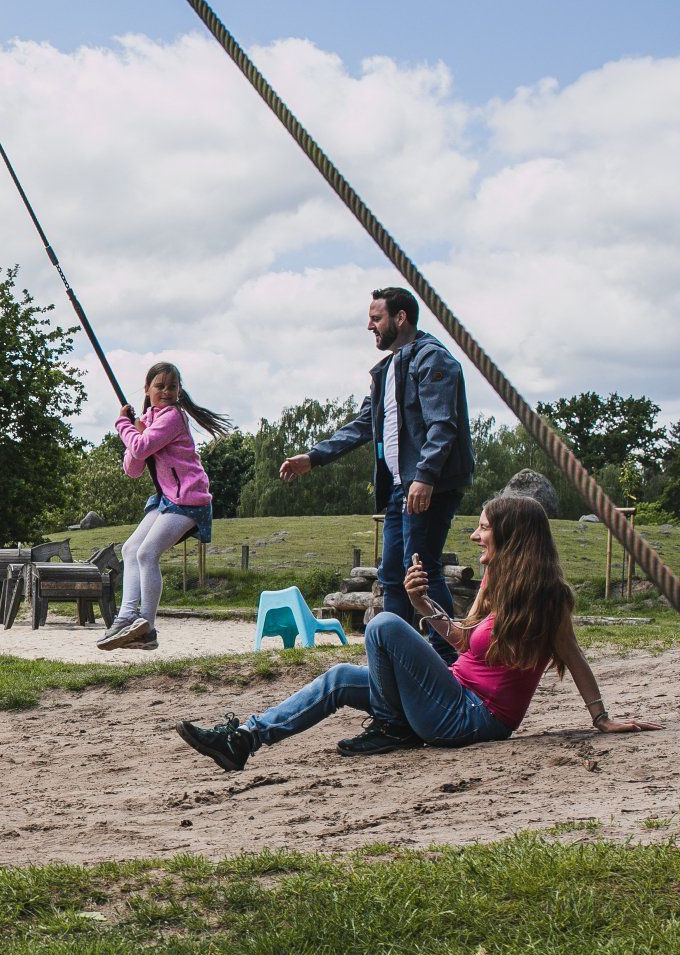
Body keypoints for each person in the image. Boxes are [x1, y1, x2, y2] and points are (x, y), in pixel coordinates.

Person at [173, 495, 660, 771]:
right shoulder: (497, 581)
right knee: (342, 675)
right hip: (453, 691)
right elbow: (466, 640)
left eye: (485, 528)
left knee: (384, 622)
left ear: (510, 535)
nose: (475, 536)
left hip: (474, 718)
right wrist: (425, 604)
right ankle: (243, 741)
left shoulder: (549, 598)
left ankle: (391, 727)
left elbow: (574, 659)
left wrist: (602, 719)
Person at [278, 285, 472, 659]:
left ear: (400, 318)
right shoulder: (387, 370)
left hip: (429, 485)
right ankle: (393, 656)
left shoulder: (434, 361)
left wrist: (426, 476)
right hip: (402, 487)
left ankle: (450, 656)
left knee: (422, 569)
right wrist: (313, 457)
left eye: (376, 318)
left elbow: (442, 425)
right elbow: (364, 424)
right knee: (392, 574)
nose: (370, 326)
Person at [98, 362, 233, 651]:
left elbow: (142, 446)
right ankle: (126, 619)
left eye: (172, 386)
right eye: (160, 386)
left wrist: (124, 426)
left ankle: (145, 625)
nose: (167, 391)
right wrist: (136, 431)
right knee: (130, 549)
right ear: (147, 389)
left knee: (147, 553)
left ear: (179, 391)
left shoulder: (173, 417)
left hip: (189, 499)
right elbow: (134, 467)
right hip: (167, 498)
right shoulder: (149, 420)